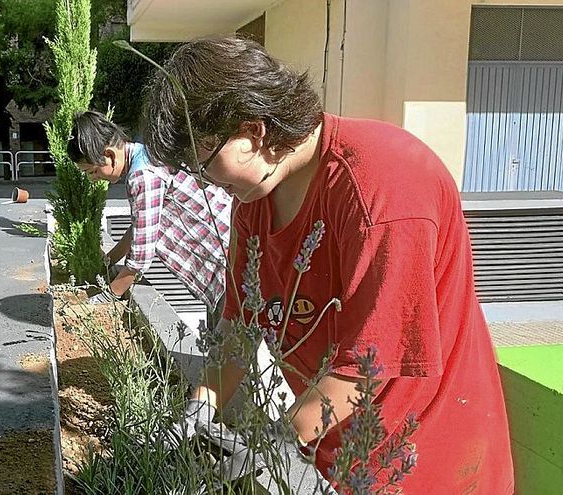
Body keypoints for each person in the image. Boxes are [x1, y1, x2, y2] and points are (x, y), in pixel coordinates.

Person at [141, 36, 513, 494]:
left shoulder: (384, 187)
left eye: (203, 166)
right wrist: (200, 406)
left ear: (254, 132)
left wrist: (270, 445)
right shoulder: (255, 200)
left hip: (426, 460)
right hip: (338, 452)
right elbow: (239, 327)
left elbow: (367, 368)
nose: (205, 185)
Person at [67, 110, 232, 328]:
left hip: (226, 263)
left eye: (92, 171)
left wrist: (106, 298)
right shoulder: (146, 155)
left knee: (225, 352)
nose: (94, 179)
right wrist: (107, 263)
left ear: (109, 155)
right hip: (229, 254)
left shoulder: (142, 175)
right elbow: (140, 226)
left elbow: (141, 258)